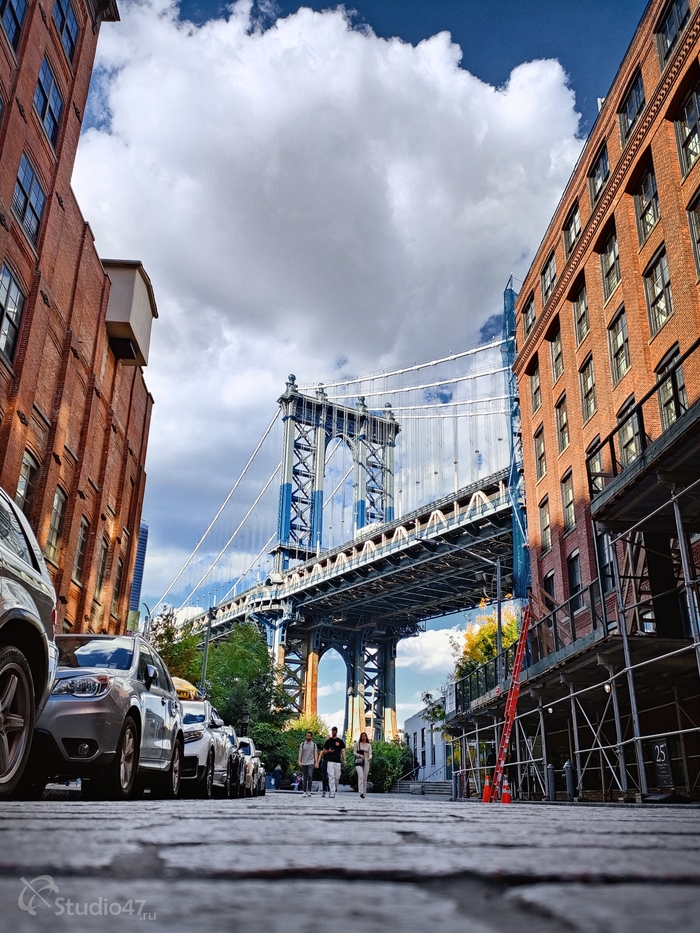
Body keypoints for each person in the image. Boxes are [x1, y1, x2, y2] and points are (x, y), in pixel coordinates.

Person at [319, 726, 346, 798]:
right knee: (331, 776)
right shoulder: (328, 741)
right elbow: (323, 752)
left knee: (337, 777)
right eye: (332, 730)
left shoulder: (340, 741)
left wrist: (345, 760)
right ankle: (332, 792)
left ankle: (334, 787)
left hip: (338, 761)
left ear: (336, 731)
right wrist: (328, 751)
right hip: (330, 761)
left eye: (334, 730)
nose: (333, 732)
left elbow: (343, 751)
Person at [297, 730, 318, 797]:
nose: (307, 737)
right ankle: (304, 791)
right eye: (307, 736)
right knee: (304, 777)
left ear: (311, 737)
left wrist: (316, 762)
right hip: (304, 762)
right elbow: (300, 753)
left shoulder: (314, 745)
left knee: (310, 775)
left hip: (311, 762)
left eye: (309, 736)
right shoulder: (302, 744)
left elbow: (315, 754)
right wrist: (299, 761)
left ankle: (309, 791)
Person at [353, 731, 372, 798]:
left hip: (366, 761)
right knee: (360, 776)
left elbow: (370, 753)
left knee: (364, 777)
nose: (363, 737)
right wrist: (359, 755)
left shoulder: (369, 745)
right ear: (361, 737)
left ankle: (364, 792)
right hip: (359, 761)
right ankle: (360, 792)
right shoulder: (357, 744)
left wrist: (370, 757)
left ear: (366, 737)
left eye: (364, 736)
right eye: (362, 736)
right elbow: (354, 752)